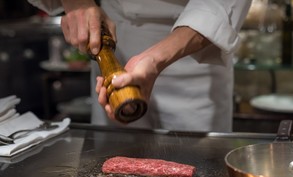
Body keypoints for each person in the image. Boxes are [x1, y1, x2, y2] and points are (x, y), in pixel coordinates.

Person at [28, 0, 252, 132]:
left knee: (198, 175)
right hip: (115, 40)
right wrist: (76, 3)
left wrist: (153, 60)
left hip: (194, 59)